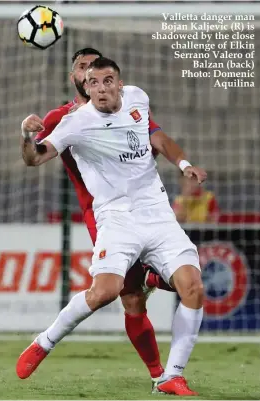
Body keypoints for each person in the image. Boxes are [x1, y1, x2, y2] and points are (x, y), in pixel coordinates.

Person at [17, 57, 207, 396]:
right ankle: (44, 342)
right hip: (116, 219)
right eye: (93, 82)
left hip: (158, 214)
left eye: (108, 81)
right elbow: (35, 158)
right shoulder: (75, 123)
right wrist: (26, 135)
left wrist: (184, 163)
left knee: (193, 286)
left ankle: (171, 377)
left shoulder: (138, 98)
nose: (101, 88)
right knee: (106, 292)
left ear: (119, 84)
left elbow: (158, 136)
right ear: (84, 88)